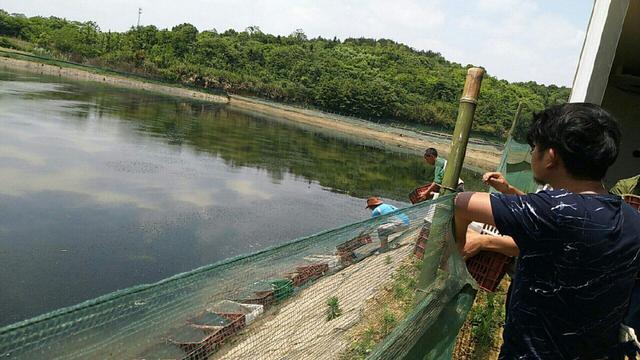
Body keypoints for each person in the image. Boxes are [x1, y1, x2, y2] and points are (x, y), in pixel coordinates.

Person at [454, 103, 640, 358]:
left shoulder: (554, 211)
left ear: (550, 156)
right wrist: (509, 191)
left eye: (534, 148)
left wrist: (459, 245)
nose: (532, 155)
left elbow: (461, 203)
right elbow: (550, 223)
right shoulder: (630, 218)